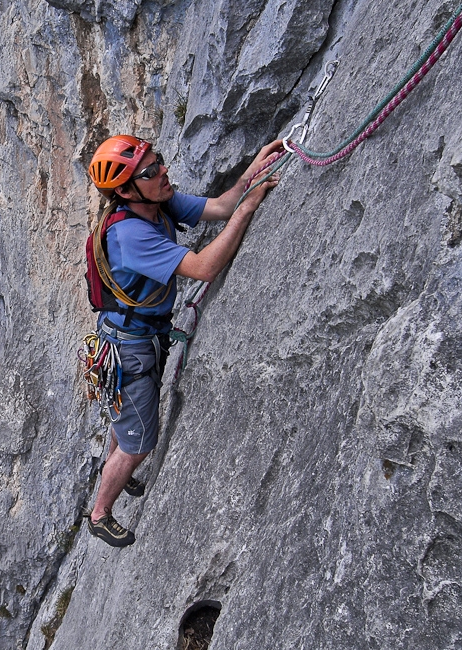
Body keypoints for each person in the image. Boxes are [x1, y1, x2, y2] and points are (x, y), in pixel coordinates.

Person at [85, 134, 283, 547]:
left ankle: (117, 465)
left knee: (129, 418)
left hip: (135, 338)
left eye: (158, 161)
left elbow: (220, 207)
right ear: (126, 191)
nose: (163, 171)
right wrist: (249, 207)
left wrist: (254, 169)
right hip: (131, 348)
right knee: (139, 444)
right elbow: (205, 267)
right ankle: (100, 512)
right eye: (150, 171)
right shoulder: (131, 235)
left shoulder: (157, 202)